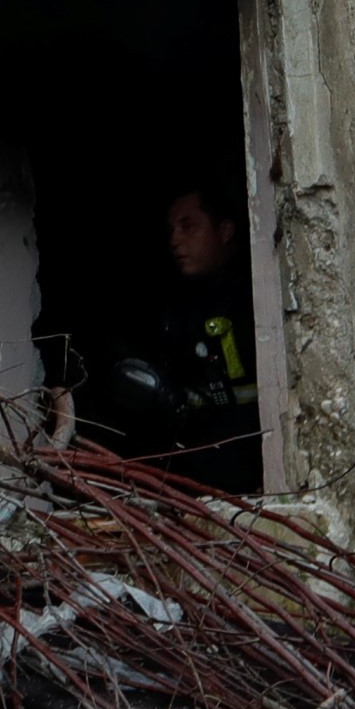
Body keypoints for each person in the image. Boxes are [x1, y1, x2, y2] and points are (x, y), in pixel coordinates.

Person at [97, 187, 262, 493]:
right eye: (171, 230)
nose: (175, 240)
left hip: (249, 468)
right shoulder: (170, 305)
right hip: (187, 474)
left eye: (189, 226)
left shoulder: (257, 296)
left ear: (224, 231)